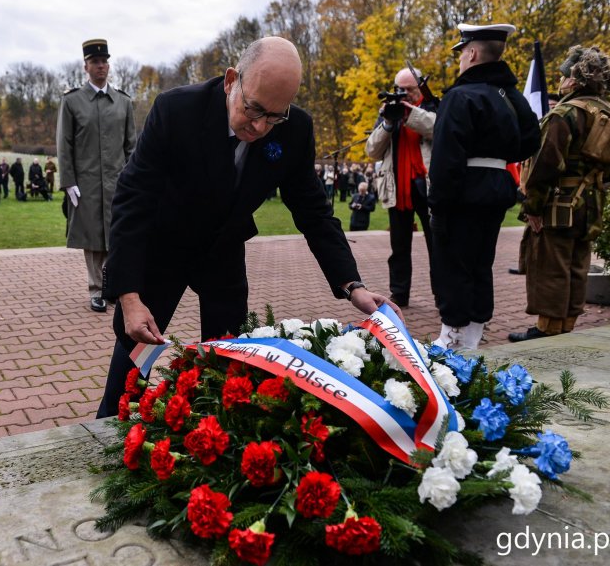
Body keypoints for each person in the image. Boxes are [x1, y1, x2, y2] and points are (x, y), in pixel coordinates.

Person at [95, 36, 401, 417]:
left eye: (275, 116)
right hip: (162, 246)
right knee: (131, 361)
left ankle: (213, 437)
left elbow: (314, 212)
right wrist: (129, 297)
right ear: (230, 81)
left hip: (222, 251)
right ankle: (108, 429)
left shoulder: (295, 130)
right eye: (253, 108)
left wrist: (351, 284)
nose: (259, 126)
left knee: (229, 367)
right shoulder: (176, 110)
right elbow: (132, 198)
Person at [428, 24, 540, 349]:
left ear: (473, 53)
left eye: (462, 52)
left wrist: (437, 203)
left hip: (462, 194)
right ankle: (474, 335)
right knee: (480, 264)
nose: (461, 58)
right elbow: (530, 139)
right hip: (495, 190)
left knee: (453, 266)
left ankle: (452, 336)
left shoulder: (460, 96)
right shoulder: (510, 97)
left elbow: (446, 159)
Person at [509, 46, 610, 342]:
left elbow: (545, 165)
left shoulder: (564, 114)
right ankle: (567, 325)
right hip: (591, 204)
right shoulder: (609, 113)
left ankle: (548, 328)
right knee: (577, 266)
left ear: (574, 80)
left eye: (563, 76)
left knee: (551, 267)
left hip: (559, 204)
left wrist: (532, 207)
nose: (560, 82)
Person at [57, 38, 137, 313]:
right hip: (86, 183)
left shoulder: (123, 102)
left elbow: (131, 146)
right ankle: (95, 290)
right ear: (86, 67)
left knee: (117, 236)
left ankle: (112, 286)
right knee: (92, 238)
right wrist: (68, 182)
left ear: (108, 65)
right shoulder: (72, 101)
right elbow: (64, 144)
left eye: (103, 61)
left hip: (118, 182)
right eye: (95, 62)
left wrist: (135, 179)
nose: (100, 66)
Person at [366, 67, 438, 308]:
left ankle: (442, 294)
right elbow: (372, 151)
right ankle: (399, 293)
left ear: (420, 87)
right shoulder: (389, 111)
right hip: (398, 186)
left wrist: (410, 114)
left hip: (428, 185)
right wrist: (387, 123)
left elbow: (438, 130)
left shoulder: (431, 106)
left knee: (437, 243)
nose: (404, 94)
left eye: (409, 89)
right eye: (400, 89)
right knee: (399, 246)